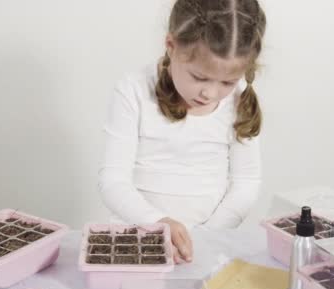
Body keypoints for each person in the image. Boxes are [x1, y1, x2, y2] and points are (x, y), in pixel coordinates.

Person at [98, 0, 267, 263]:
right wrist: (156, 223)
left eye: (227, 82)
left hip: (207, 247)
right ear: (171, 46)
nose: (210, 93)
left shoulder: (239, 100)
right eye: (199, 77)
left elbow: (246, 184)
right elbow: (113, 181)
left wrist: (203, 237)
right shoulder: (133, 90)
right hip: (136, 242)